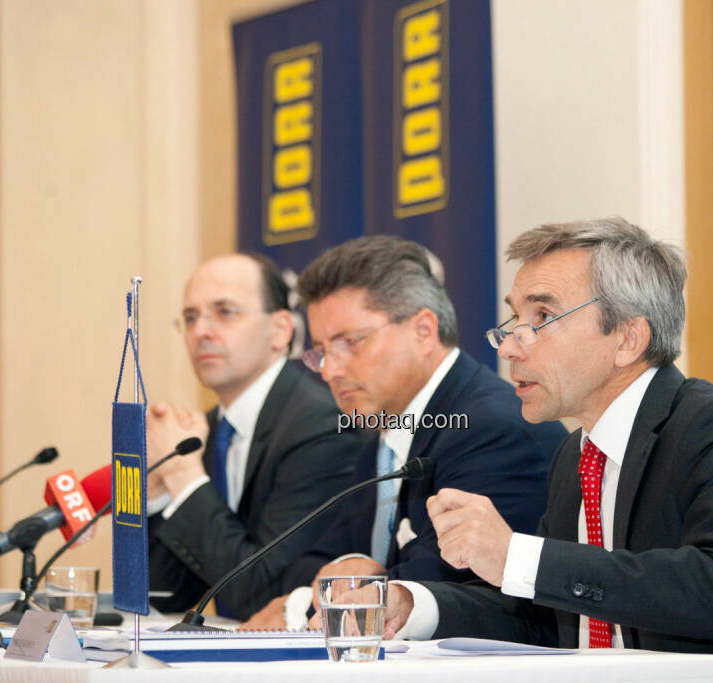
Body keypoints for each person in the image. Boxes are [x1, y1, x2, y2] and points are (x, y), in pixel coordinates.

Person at [354, 218, 713, 681]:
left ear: (627, 338)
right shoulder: (575, 456)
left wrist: (519, 557)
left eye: (541, 317)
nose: (509, 347)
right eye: (513, 319)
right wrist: (412, 604)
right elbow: (542, 619)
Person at [241, 235, 566, 629]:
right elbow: (309, 562)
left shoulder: (493, 431)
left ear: (424, 331)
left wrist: (297, 607)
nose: (330, 371)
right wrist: (348, 565)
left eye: (351, 342)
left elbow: (434, 584)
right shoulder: (382, 440)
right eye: (322, 351)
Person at [146, 253, 367, 620]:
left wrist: (184, 478)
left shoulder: (320, 427)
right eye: (190, 317)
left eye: (225, 312)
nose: (201, 331)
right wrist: (156, 492)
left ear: (281, 330)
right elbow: (164, 596)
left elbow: (265, 595)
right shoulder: (206, 431)